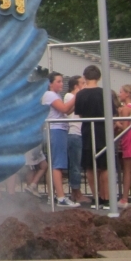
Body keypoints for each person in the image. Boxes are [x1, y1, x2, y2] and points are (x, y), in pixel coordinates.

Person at [73, 66, 113, 208]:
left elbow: (79, 113)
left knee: (90, 167)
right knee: (105, 166)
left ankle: (96, 197)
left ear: (85, 77)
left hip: (87, 131)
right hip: (103, 131)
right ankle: (107, 197)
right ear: (99, 77)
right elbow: (112, 112)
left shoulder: (80, 94)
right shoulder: (105, 93)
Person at [42, 73, 79, 207]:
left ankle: (52, 195)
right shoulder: (50, 95)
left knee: (54, 164)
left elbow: (65, 111)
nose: (61, 84)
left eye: (62, 81)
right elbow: (64, 108)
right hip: (56, 130)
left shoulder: (55, 96)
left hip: (58, 130)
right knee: (58, 164)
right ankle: (61, 197)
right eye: (58, 81)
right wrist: (77, 96)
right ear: (50, 83)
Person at [63, 76, 88, 206]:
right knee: (75, 165)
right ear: (76, 86)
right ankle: (76, 192)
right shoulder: (69, 96)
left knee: (77, 165)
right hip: (74, 134)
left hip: (79, 133)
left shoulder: (76, 97)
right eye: (82, 83)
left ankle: (76, 191)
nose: (85, 85)